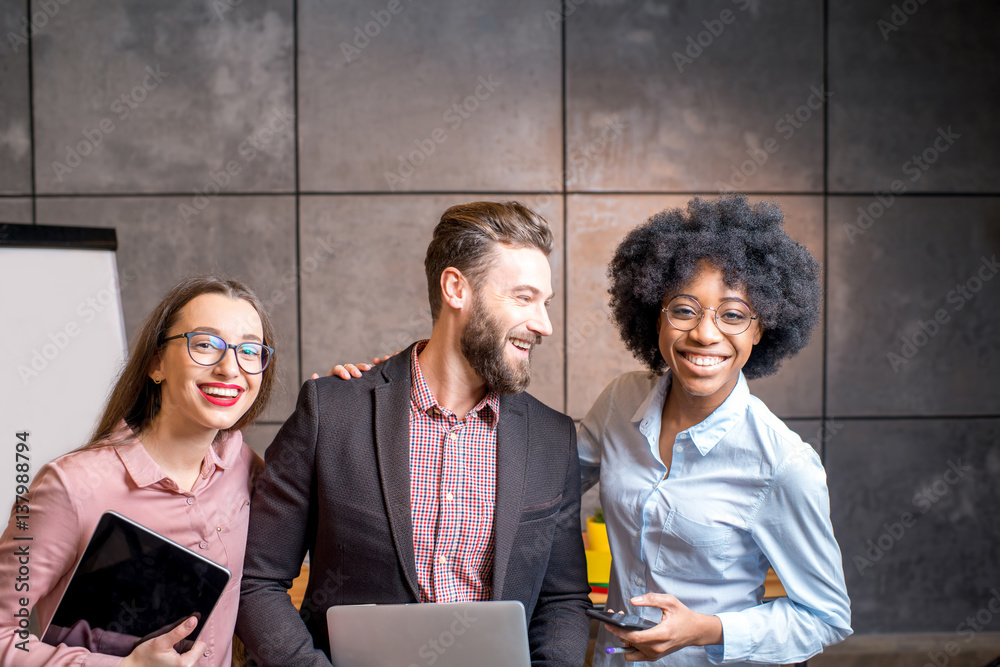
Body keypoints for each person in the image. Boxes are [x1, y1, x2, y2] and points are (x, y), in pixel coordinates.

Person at [236, 201, 591, 666]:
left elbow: (564, 601)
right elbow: (256, 579)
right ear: (455, 289)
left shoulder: (553, 439)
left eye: (544, 302)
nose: (543, 324)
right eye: (524, 298)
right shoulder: (332, 411)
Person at [581, 194, 852, 664]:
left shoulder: (782, 463)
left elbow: (825, 618)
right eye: (684, 310)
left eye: (732, 315)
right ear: (655, 314)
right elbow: (546, 480)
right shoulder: (621, 400)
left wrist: (707, 630)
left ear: (760, 329)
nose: (705, 334)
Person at [0, 275, 277, 666]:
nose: (230, 368)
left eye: (249, 350)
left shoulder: (247, 471)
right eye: (204, 344)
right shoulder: (70, 487)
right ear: (156, 362)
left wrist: (359, 388)